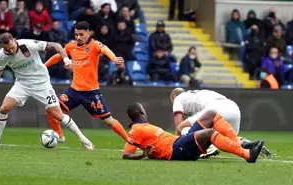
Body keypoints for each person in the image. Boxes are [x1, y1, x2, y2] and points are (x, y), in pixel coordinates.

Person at [0, 33, 93, 150]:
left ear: (15, 40)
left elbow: (56, 45)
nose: (11, 51)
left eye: (12, 47)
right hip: (22, 84)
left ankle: (84, 140)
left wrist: (66, 60)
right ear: (2, 46)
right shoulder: (1, 56)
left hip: (42, 83)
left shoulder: (28, 44)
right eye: (7, 49)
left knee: (59, 115)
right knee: (4, 108)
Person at [44, 21, 131, 144]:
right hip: (73, 91)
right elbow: (58, 57)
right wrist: (44, 66)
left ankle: (129, 140)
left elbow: (105, 50)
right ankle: (60, 136)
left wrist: (114, 59)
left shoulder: (95, 45)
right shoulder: (71, 46)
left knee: (108, 120)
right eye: (76, 34)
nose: (78, 37)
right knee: (49, 109)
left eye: (81, 34)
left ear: (88, 33)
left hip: (91, 93)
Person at [122, 102, 264, 163]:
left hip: (178, 143)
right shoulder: (135, 131)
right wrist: (142, 155)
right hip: (176, 150)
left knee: (210, 114)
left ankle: (238, 143)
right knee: (209, 133)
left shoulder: (144, 126)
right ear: (142, 112)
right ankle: (247, 155)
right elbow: (126, 154)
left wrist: (151, 154)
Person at [169, 88, 272, 158]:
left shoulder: (178, 98)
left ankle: (209, 148)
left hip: (216, 108)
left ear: (173, 98)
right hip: (234, 108)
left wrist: (176, 145)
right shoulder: (197, 94)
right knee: (230, 139)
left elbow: (178, 126)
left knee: (184, 130)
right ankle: (251, 145)